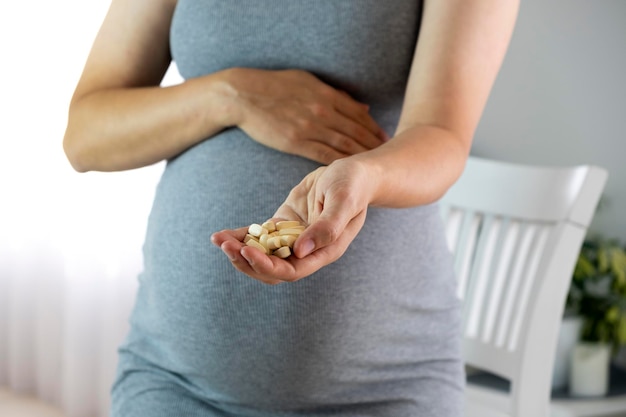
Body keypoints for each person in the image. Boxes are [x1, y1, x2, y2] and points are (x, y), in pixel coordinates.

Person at [63, 0, 519, 416]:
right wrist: (233, 96)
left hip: (383, 389)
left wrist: (366, 176)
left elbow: (443, 136)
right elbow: (85, 137)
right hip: (173, 383)